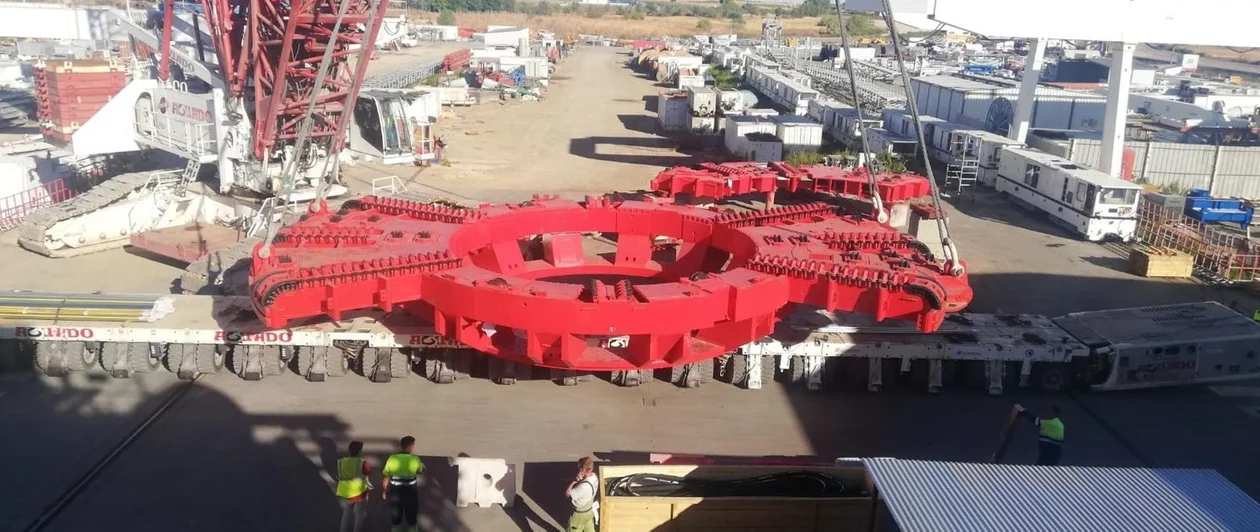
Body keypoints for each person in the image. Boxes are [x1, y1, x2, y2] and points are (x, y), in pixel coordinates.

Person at [382, 436, 424, 532]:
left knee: (396, 518)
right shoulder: (415, 459)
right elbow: (420, 471)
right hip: (411, 492)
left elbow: (386, 476)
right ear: (411, 447)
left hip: (395, 491)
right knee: (412, 518)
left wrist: (384, 490)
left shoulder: (392, 459)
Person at [335, 441, 372, 532]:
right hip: (360, 492)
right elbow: (367, 473)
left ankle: (343, 530)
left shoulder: (341, 462)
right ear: (359, 451)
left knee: (346, 513)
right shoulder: (361, 462)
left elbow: (339, 474)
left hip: (346, 491)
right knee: (360, 514)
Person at [565, 456, 599, 532]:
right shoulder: (594, 477)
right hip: (589, 511)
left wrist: (575, 480)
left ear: (583, 470)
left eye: (580, 468)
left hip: (579, 515)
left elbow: (567, 493)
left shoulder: (583, 487)